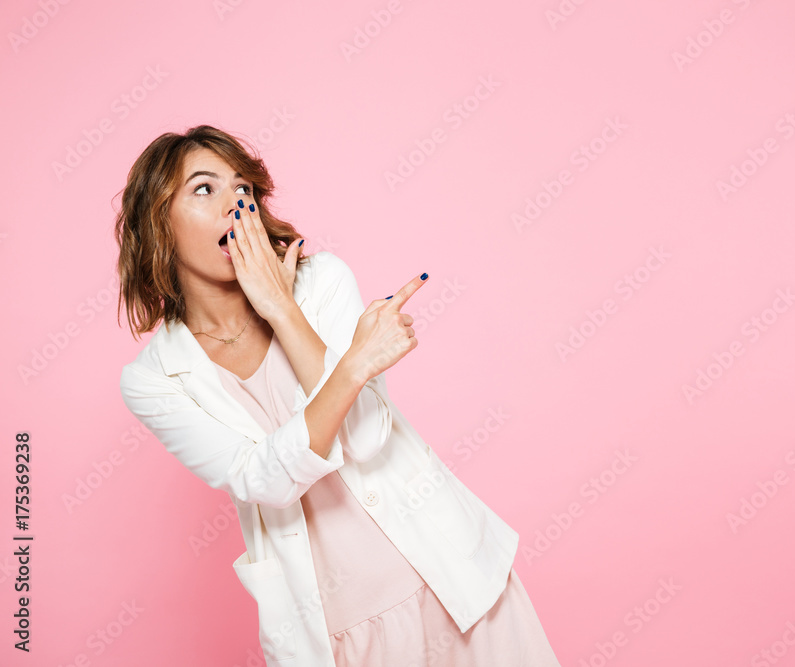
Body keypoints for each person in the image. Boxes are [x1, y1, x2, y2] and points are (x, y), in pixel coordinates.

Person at [115, 125, 562, 666]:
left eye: (243, 189)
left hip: (451, 582)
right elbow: (264, 479)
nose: (236, 206)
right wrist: (352, 365)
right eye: (203, 190)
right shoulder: (155, 378)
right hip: (338, 634)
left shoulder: (319, 282)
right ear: (157, 221)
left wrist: (282, 310)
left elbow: (368, 434)